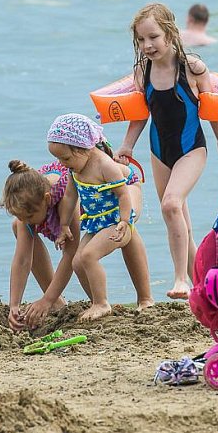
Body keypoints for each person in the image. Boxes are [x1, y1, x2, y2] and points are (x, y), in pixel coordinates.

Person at [115, 3, 218, 299]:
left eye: (153, 37)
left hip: (191, 149)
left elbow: (211, 109)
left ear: (170, 34)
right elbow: (140, 114)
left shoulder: (193, 68)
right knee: (178, 218)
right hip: (159, 151)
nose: (147, 45)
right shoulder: (142, 70)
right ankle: (203, 284)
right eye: (141, 40)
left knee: (171, 204)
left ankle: (180, 280)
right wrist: (126, 145)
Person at [47, 114, 154, 320]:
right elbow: (70, 196)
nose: (62, 163)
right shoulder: (74, 169)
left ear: (83, 148)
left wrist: (125, 220)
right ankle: (99, 301)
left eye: (66, 158)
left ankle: (112, 302)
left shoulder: (105, 165)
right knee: (78, 261)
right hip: (98, 217)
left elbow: (123, 194)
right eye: (59, 159)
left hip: (122, 202)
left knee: (94, 252)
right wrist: (63, 225)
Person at [0, 159, 82, 331]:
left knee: (82, 258)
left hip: (93, 211)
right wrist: (14, 304)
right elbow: (22, 259)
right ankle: (57, 302)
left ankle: (98, 302)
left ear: (46, 200)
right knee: (17, 226)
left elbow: (70, 254)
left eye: (28, 217)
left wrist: (46, 300)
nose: (25, 221)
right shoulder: (30, 199)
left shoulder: (67, 196)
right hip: (46, 204)